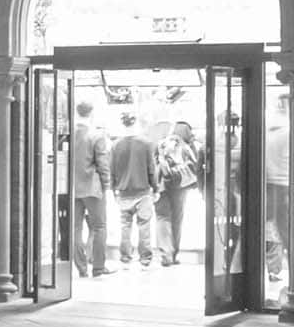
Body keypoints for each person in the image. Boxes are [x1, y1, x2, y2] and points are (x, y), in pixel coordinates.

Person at [110, 112, 160, 268]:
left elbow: (112, 169)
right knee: (144, 225)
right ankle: (145, 257)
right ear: (135, 123)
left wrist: (114, 190)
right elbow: (151, 168)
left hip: (124, 192)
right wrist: (155, 188)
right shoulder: (146, 143)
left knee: (125, 225)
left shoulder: (116, 145)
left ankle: (125, 256)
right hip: (143, 191)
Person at [70, 100, 112, 277]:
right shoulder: (96, 135)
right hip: (92, 188)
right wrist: (107, 185)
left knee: (75, 229)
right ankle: (98, 267)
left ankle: (80, 268)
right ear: (91, 113)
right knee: (99, 226)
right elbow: (102, 164)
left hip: (71, 187)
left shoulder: (67, 133)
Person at [154, 118, 203, 267]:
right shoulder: (187, 147)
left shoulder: (160, 144)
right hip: (180, 187)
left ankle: (165, 254)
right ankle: (174, 254)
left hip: (162, 185)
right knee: (177, 219)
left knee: (162, 218)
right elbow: (196, 166)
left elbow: (153, 165)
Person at [263, 95, 290, 283]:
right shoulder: (290, 130)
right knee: (288, 235)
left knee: (265, 230)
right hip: (285, 187)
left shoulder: (267, 129)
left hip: (267, 185)